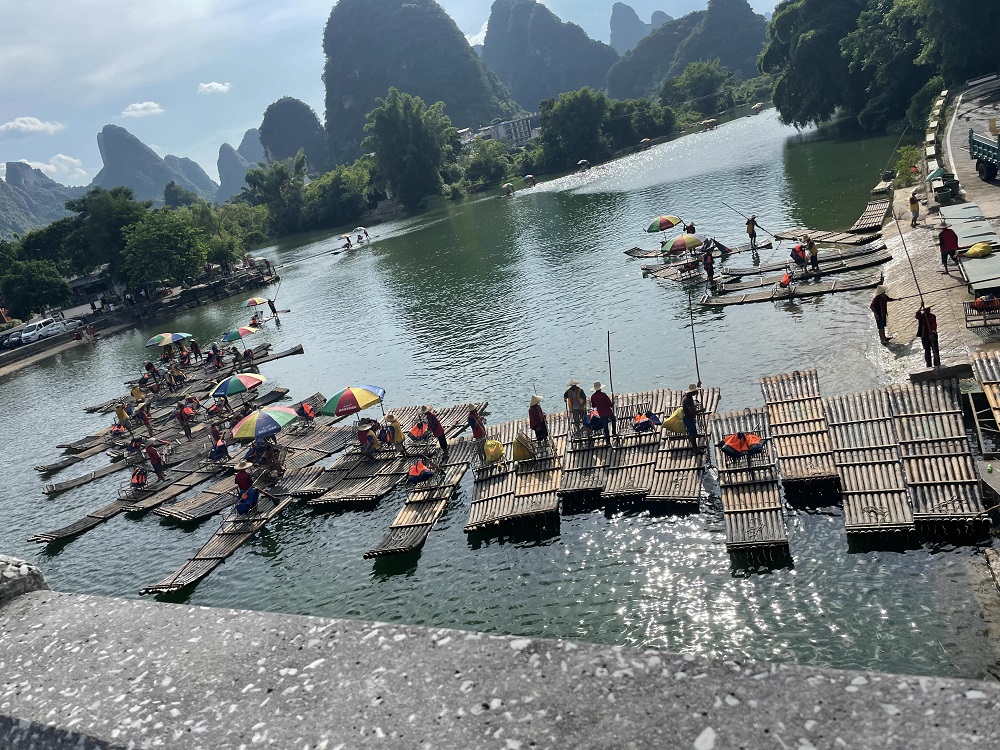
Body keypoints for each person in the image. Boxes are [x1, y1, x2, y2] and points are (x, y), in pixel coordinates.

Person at [682, 384, 701, 452]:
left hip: (687, 418)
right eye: (695, 391)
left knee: (692, 432)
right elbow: (692, 412)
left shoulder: (686, 396)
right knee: (693, 434)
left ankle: (694, 446)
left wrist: (698, 385)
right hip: (688, 419)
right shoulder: (688, 400)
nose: (696, 392)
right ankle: (695, 448)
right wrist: (701, 411)